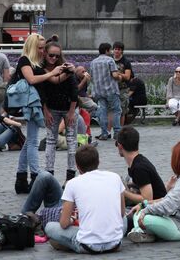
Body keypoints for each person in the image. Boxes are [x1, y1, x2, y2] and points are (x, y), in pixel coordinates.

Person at [44, 144, 126, 253]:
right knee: (124, 219)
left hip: (88, 245)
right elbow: (122, 213)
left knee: (50, 227)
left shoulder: (72, 184)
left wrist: (73, 219)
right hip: (115, 244)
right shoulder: (115, 177)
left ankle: (69, 242)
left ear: (77, 166)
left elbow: (64, 223)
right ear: (98, 162)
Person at [127, 141, 180, 243]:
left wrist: (146, 210)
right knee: (140, 212)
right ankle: (146, 234)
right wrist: (144, 204)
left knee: (143, 217)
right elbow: (167, 199)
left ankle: (140, 231)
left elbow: (170, 204)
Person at [13, 33, 65, 194]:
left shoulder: (36, 62)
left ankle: (21, 178)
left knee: (30, 141)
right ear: (33, 47)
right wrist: (51, 72)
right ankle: (35, 177)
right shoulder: (25, 60)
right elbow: (32, 79)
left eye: (43, 48)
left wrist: (67, 72)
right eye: (40, 48)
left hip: (36, 104)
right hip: (30, 104)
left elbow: (53, 81)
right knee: (33, 142)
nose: (43, 51)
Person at [41, 41, 79, 183]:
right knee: (51, 141)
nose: (54, 58)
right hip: (52, 108)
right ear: (45, 53)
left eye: (57, 56)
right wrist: (45, 110)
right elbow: (42, 91)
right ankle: (49, 175)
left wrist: (71, 112)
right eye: (51, 55)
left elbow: (74, 90)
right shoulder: (42, 69)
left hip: (68, 107)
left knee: (71, 141)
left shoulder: (67, 69)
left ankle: (70, 176)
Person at [115, 127, 166, 213]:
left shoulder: (139, 168)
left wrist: (123, 191)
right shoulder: (139, 161)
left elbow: (147, 199)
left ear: (120, 146)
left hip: (157, 210)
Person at [88, 43, 121, 141]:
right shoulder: (110, 60)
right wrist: (119, 77)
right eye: (110, 50)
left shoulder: (93, 62)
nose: (111, 52)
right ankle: (117, 132)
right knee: (116, 110)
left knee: (102, 112)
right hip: (111, 90)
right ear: (107, 50)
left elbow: (91, 76)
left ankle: (104, 133)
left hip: (98, 91)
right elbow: (115, 75)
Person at [112, 42, 134, 127]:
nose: (117, 51)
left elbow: (128, 76)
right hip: (111, 88)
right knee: (111, 110)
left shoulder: (126, 62)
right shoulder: (110, 60)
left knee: (122, 110)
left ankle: (120, 129)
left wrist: (117, 73)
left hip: (122, 89)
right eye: (115, 49)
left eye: (119, 49)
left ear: (122, 51)